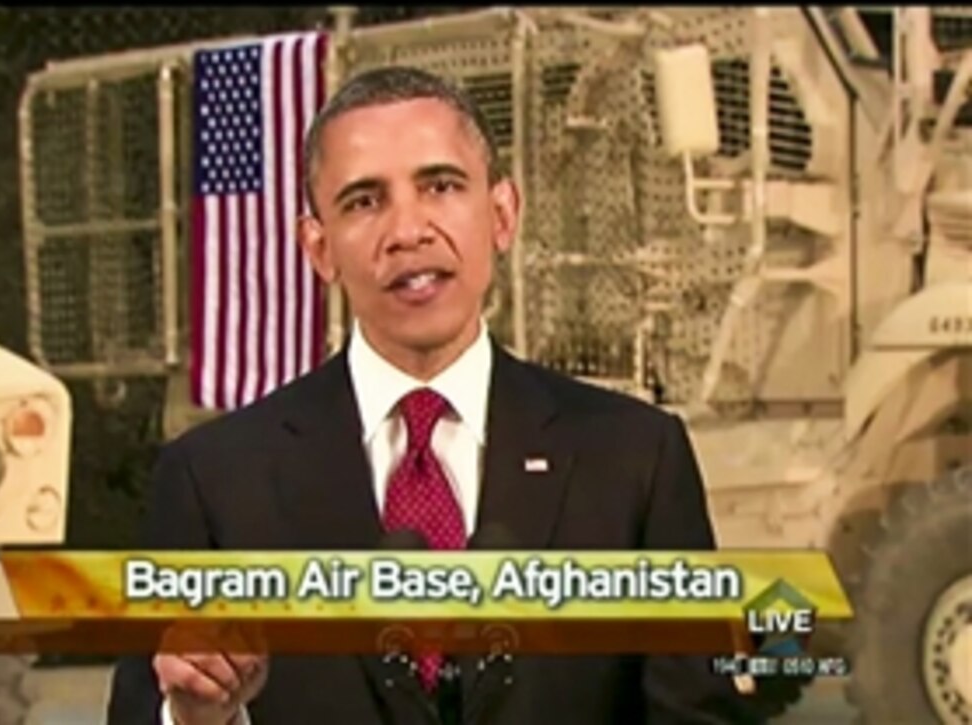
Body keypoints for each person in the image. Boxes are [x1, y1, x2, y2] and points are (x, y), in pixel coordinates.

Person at [106, 65, 762, 724]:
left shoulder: (636, 458)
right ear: (318, 247)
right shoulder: (212, 479)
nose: (408, 230)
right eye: (365, 200)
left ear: (502, 214)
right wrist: (194, 715)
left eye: (441, 186)